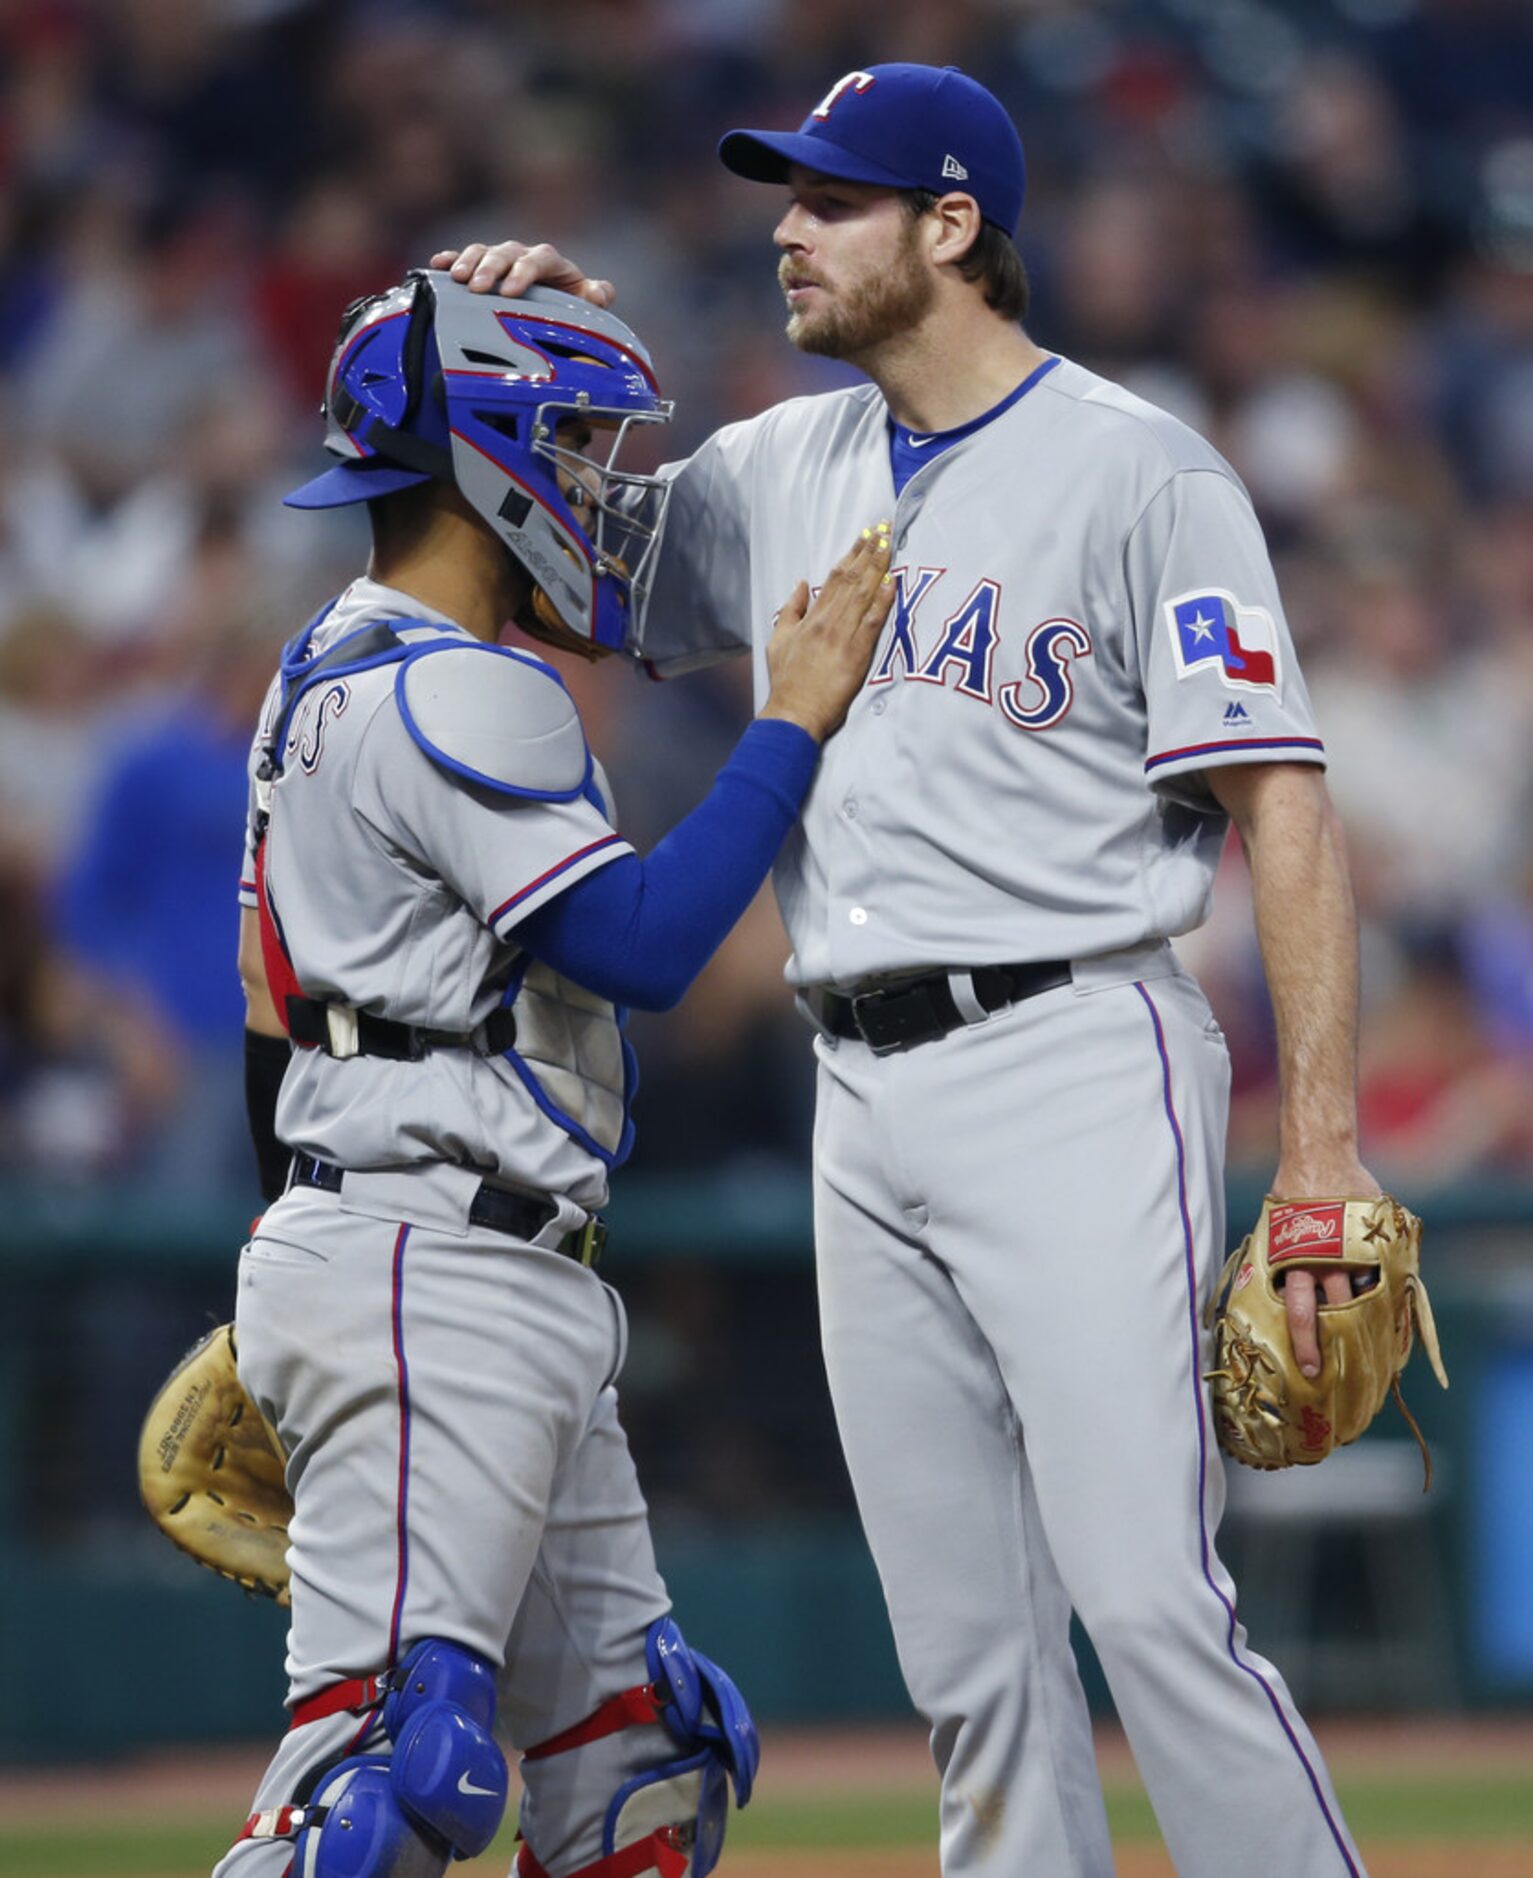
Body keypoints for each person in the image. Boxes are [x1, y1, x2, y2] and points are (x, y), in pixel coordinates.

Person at [438, 59, 1384, 1878]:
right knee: (968, 1656)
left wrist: (1324, 1148)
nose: (784, 228)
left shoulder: (1137, 467)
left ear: (951, 228)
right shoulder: (777, 464)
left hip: (1074, 1048)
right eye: (785, 193)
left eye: (829, 198)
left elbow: (1282, 806)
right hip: (854, 1090)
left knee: (1148, 1603)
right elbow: (552, 580)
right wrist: (489, 353)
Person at [221, 267, 892, 1877]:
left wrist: (289, 1268)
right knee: (376, 1783)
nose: (598, 480)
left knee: (639, 1769)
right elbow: (645, 947)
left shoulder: (319, 666)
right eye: (573, 438)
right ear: (490, 453)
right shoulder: (466, 685)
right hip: (431, 1262)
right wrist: (789, 720)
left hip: (430, 1255)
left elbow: (267, 1029)